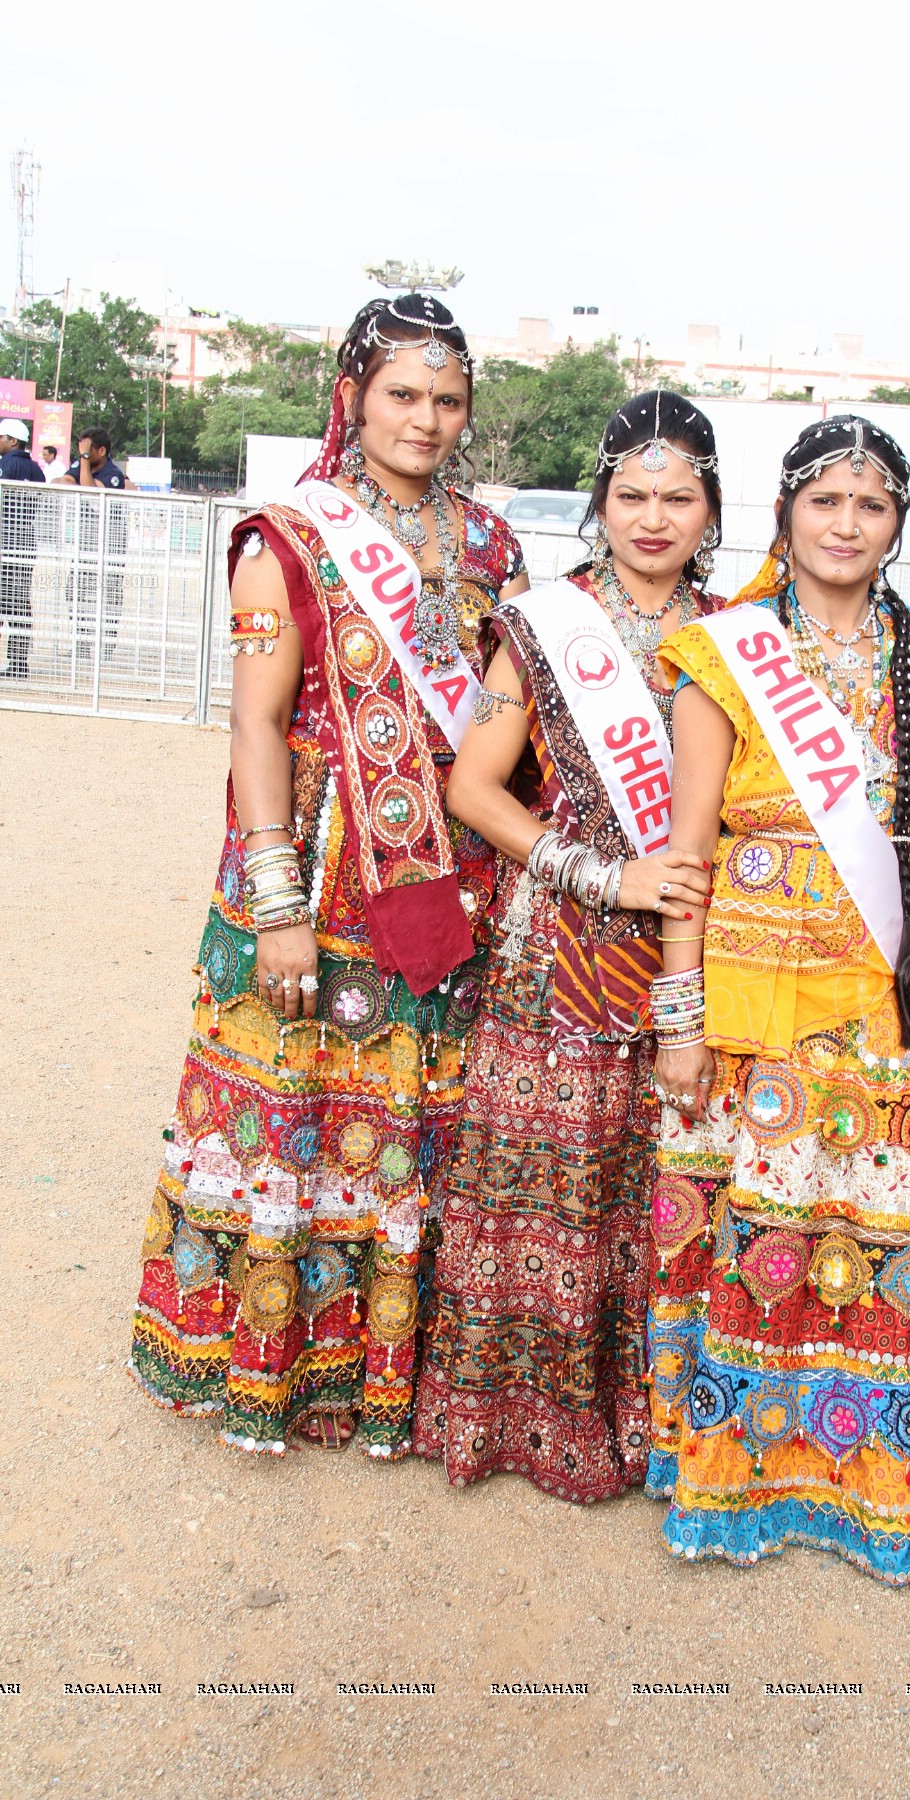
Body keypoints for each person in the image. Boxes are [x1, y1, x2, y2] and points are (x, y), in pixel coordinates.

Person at [646, 415, 910, 1590]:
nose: (845, 525)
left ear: (896, 526)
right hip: (747, 1006)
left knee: (886, 1238)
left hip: (881, 999)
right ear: (785, 514)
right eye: (824, 501)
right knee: (761, 1239)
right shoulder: (720, 652)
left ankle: (895, 1491)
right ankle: (740, 1480)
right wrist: (679, 1020)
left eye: (871, 506)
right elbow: (684, 852)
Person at [129, 293, 528, 1457]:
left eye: (449, 399)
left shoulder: (494, 545)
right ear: (352, 395)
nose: (427, 418)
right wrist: (276, 905)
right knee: (296, 1103)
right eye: (403, 393)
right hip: (314, 859)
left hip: (448, 872)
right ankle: (263, 1362)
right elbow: (258, 725)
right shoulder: (287, 535)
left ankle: (393, 1371)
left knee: (414, 1109)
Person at [413, 393, 721, 1501]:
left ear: (711, 509)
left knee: (656, 1172)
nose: (652, 517)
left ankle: (655, 1423)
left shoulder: (738, 635)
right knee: (552, 1174)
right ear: (600, 503)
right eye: (631, 494)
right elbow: (473, 788)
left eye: (677, 495)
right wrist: (600, 873)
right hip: (559, 945)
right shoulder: (543, 624)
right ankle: (518, 1420)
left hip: (690, 948)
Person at [55, 427, 135, 662]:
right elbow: (66, 482)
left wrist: (85, 464)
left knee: (109, 594)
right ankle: (80, 645)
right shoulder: (82, 465)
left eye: (86, 449)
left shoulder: (113, 474)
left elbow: (92, 495)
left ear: (101, 450)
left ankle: (105, 648)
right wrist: (82, 466)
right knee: (77, 592)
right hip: (85, 543)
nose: (82, 454)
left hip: (111, 542)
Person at [0, 417, 45, 680]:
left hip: (4, 539)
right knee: (19, 603)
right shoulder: (37, 469)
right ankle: (19, 663)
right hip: (25, 540)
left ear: (13, 440)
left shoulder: (6, 464)